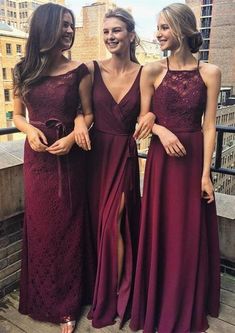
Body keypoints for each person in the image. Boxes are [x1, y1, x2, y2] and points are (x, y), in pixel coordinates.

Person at [130, 3, 221, 333]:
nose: (158, 33)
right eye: (157, 27)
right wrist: (159, 128)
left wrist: (206, 174)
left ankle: (185, 299)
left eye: (164, 27)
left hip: (193, 157)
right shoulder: (151, 70)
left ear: (182, 30)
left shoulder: (209, 72)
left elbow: (210, 125)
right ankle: (159, 297)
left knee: (188, 230)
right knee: (162, 227)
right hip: (162, 161)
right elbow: (142, 118)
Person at [13, 3, 92, 333]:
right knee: (41, 229)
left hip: (69, 163)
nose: (69, 31)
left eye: (71, 25)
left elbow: (88, 114)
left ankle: (67, 306)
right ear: (46, 28)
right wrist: (29, 129)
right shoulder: (23, 70)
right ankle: (41, 296)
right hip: (37, 163)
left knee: (67, 231)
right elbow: (17, 115)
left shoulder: (80, 71)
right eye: (63, 25)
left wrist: (74, 137)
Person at [74, 7, 154, 329]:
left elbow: (148, 114)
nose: (110, 37)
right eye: (106, 32)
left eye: (117, 31)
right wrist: (79, 121)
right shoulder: (91, 69)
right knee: (99, 225)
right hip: (95, 156)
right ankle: (102, 289)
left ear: (131, 34)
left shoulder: (145, 72)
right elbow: (80, 109)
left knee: (114, 222)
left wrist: (152, 121)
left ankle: (117, 296)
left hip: (125, 154)